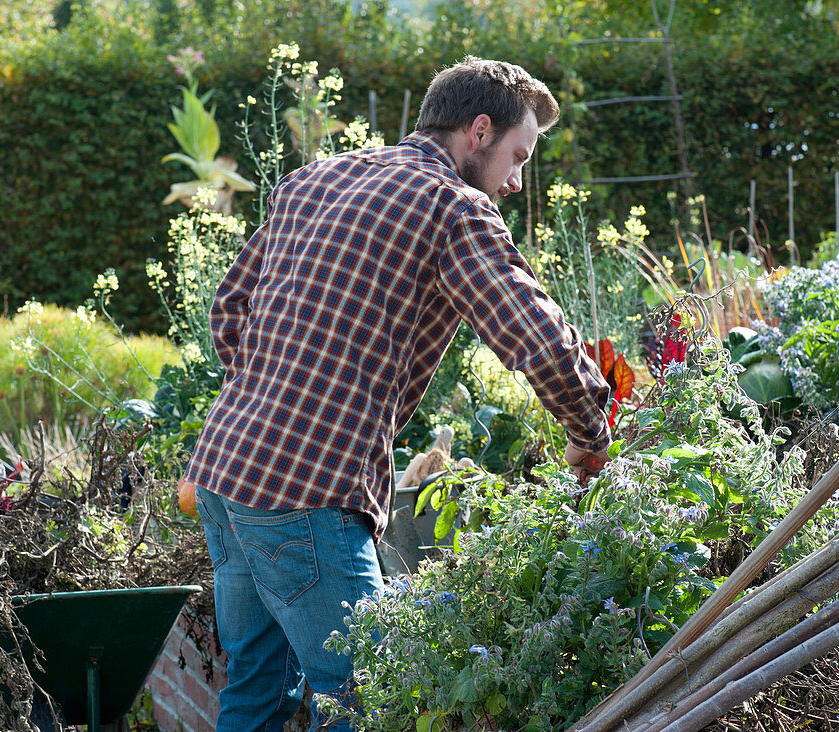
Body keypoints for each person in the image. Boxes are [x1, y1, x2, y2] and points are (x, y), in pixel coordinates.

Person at [180, 55, 612, 731]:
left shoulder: (317, 179)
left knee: (255, 692)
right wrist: (591, 432)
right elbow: (537, 337)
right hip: (305, 492)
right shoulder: (451, 206)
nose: (519, 181)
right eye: (518, 156)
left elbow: (229, 307)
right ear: (477, 132)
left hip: (225, 471)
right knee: (376, 698)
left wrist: (271, 395)